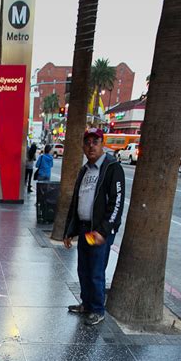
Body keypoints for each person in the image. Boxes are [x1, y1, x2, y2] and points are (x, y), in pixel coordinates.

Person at [63, 127, 125, 326]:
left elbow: (116, 202)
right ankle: (87, 304)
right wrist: (69, 231)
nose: (91, 146)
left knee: (96, 270)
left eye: (95, 142)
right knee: (83, 268)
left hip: (99, 231)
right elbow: (77, 201)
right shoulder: (85, 170)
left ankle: (97, 309)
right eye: (87, 142)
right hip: (84, 228)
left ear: (102, 143)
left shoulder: (112, 168)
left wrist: (104, 231)